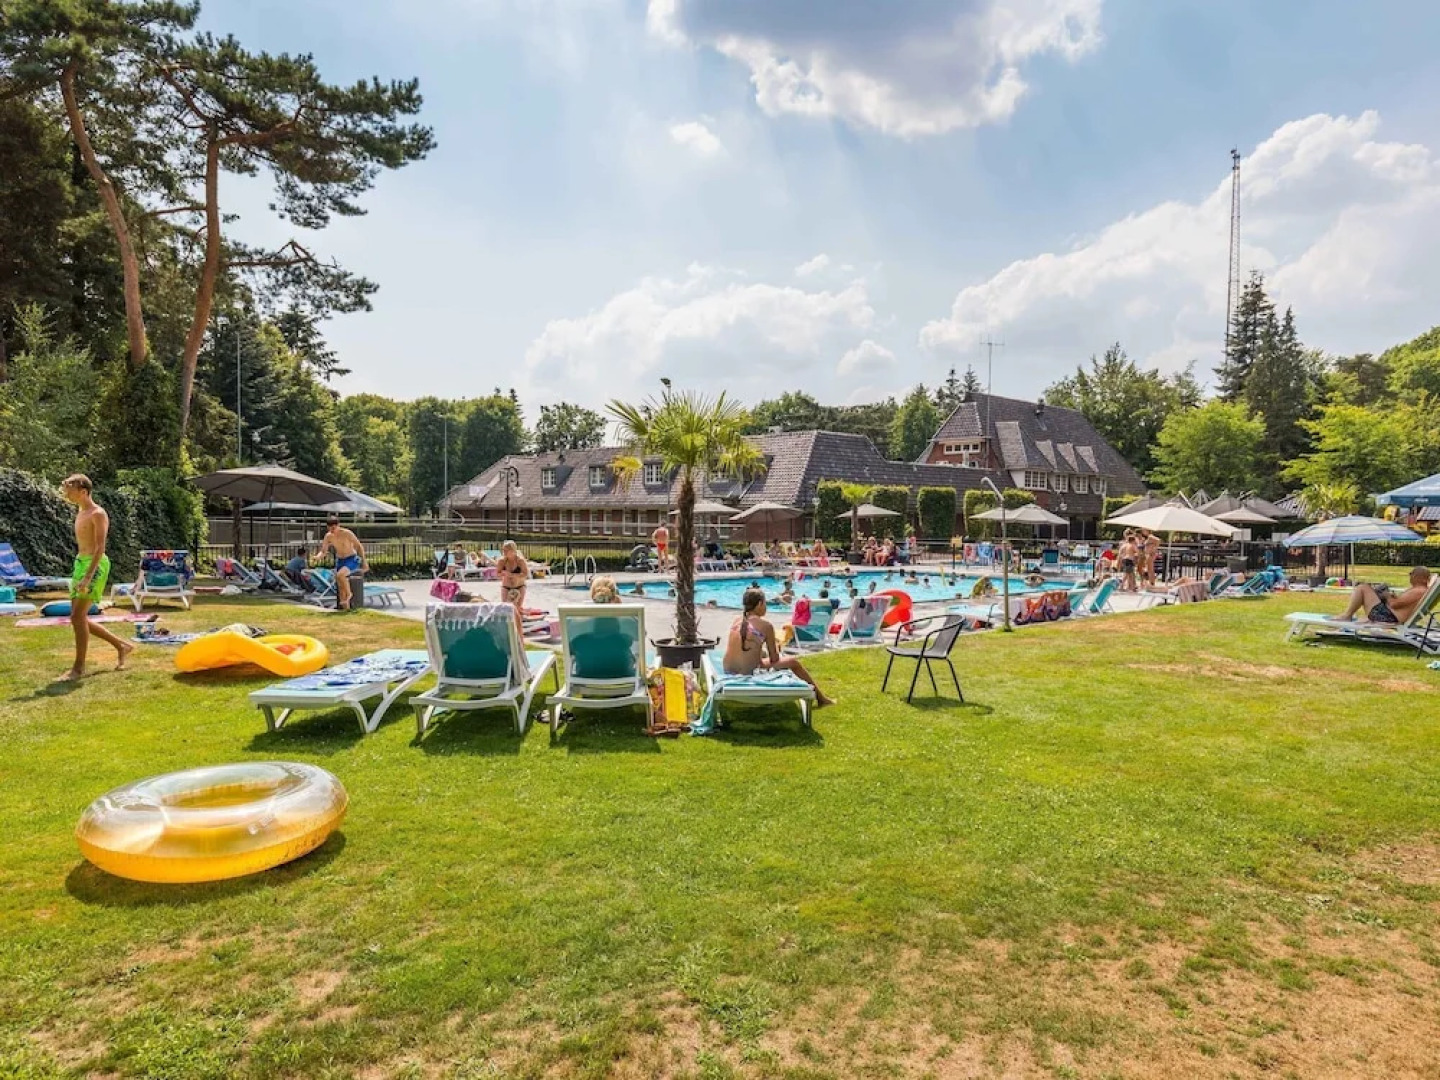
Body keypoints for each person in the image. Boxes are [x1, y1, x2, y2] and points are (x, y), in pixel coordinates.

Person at [58, 474, 132, 681]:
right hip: (80, 563)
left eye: (70, 491)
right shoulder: (80, 513)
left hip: (95, 565)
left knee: (77, 617)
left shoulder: (97, 514)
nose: (67, 495)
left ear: (84, 491)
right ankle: (122, 646)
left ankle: (78, 668)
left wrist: (88, 576)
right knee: (77, 617)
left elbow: (100, 548)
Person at [722, 588, 835, 706]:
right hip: (745, 674)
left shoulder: (737, 620)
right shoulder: (766, 626)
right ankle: (821, 699)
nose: (766, 607)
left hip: (728, 669)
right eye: (765, 603)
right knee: (793, 663)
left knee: (764, 654)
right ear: (760, 604)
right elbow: (774, 659)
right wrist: (776, 647)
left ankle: (821, 698)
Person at [1329, 566, 1433, 624]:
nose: (1410, 576)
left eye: (1412, 574)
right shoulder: (1419, 590)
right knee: (1371, 589)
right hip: (1390, 615)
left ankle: (1347, 615)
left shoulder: (1418, 591)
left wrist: (1387, 596)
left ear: (1422, 578)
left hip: (1388, 617)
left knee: (1362, 587)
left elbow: (1394, 605)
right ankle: (1358, 616)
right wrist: (1389, 596)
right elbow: (1401, 604)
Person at [314, 515, 368, 609]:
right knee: (340, 586)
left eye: (334, 528)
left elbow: (359, 546)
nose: (332, 530)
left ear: (338, 525)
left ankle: (349, 593)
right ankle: (346, 609)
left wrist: (364, 562)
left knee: (340, 575)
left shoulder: (347, 533)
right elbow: (323, 551)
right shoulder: (328, 536)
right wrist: (318, 557)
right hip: (340, 560)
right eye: (330, 528)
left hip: (351, 558)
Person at [495, 539, 529, 633]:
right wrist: (503, 573)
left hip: (519, 586)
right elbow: (497, 573)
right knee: (505, 607)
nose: (504, 552)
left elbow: (526, 574)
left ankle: (518, 629)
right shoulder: (502, 561)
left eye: (506, 550)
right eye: (503, 550)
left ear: (513, 551)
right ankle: (507, 627)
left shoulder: (520, 561)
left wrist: (513, 575)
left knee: (517, 608)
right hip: (506, 586)